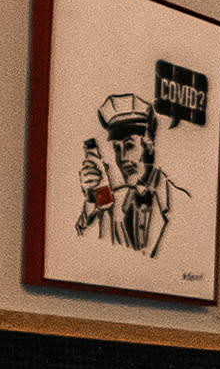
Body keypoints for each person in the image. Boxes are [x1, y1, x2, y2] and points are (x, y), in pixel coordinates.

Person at [77, 93, 185, 255]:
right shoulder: (113, 203)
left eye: (129, 146)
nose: (122, 159)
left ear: (148, 146)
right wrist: (91, 199)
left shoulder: (182, 202)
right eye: (117, 148)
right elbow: (81, 246)